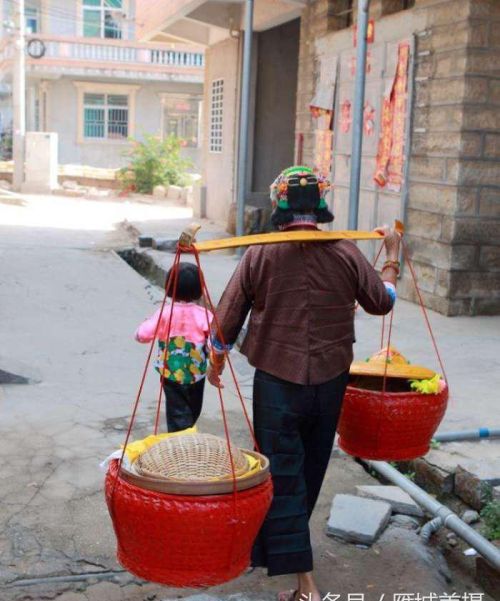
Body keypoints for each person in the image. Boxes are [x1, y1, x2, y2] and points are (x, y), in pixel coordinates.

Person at [207, 166, 401, 601]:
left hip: (278, 380)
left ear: (279, 204)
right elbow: (382, 302)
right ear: (320, 204)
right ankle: (284, 555)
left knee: (283, 475)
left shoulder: (262, 253)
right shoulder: (347, 251)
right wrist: (390, 257)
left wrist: (216, 359)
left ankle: (305, 583)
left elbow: (228, 314)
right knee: (307, 472)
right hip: (331, 382)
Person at [135, 262, 212, 432]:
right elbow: (214, 341)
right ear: (200, 289)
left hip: (171, 373)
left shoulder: (164, 313)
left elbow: (142, 335)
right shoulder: (205, 315)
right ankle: (187, 436)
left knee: (177, 411)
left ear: (169, 288)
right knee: (192, 409)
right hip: (195, 374)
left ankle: (181, 442)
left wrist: (144, 326)